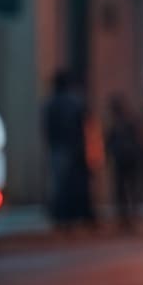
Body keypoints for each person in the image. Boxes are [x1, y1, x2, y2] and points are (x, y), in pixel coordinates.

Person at [44, 71, 95, 231]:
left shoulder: (52, 104)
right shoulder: (74, 103)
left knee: (61, 184)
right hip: (72, 148)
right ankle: (73, 216)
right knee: (72, 184)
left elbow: (48, 128)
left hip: (59, 148)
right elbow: (84, 126)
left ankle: (63, 217)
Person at [104, 95, 143, 232]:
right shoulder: (117, 124)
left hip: (129, 159)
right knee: (123, 189)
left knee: (129, 188)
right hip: (123, 160)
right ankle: (125, 216)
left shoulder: (126, 123)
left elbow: (139, 139)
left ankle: (131, 215)